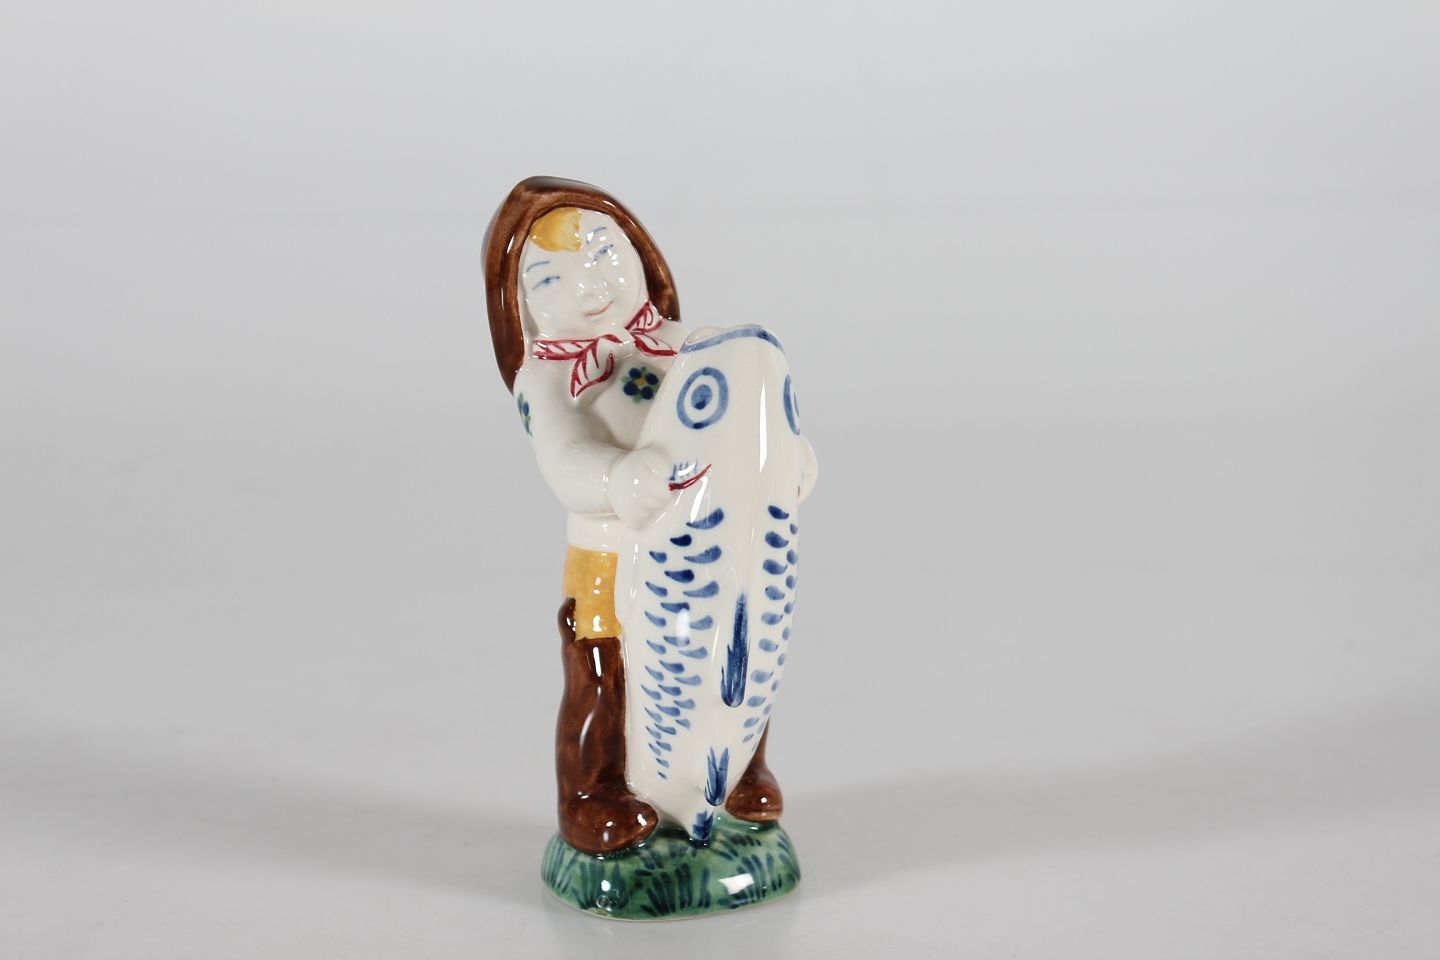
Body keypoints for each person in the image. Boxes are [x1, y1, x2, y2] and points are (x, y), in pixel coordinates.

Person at [483, 178, 783, 855]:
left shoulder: (693, 344)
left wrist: (783, 461)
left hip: (715, 541)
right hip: (611, 557)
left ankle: (738, 767)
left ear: (644, 256)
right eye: (550, 279)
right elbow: (562, 461)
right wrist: (615, 477)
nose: (589, 285)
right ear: (519, 309)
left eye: (604, 253)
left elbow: (750, 411)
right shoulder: (545, 379)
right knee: (603, 671)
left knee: (736, 646)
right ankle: (593, 792)